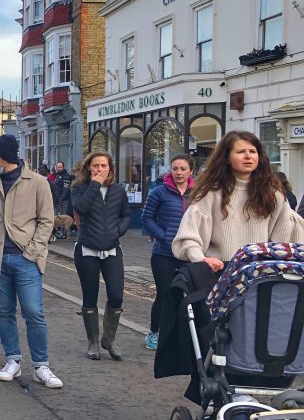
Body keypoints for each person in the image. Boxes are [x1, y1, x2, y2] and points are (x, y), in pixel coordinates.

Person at [0, 134, 63, 388]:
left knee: (33, 312)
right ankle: (13, 360)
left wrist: (33, 251)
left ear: (5, 157)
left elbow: (46, 221)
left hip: (25, 258)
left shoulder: (37, 182)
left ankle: (41, 365)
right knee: (4, 312)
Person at [173, 131, 304, 269]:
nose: (248, 156)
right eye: (241, 151)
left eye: (253, 151)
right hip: (221, 273)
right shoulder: (211, 192)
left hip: (259, 275)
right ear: (227, 158)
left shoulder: (272, 194)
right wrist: (200, 259)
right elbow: (189, 236)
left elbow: (286, 240)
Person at [70, 151, 131, 361]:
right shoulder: (79, 189)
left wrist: (118, 231)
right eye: (96, 166)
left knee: (116, 295)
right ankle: (93, 342)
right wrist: (94, 185)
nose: (99, 170)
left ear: (110, 168)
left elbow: (125, 216)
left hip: (112, 248)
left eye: (103, 166)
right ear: (89, 168)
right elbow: (80, 208)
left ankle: (109, 339)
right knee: (90, 295)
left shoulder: (118, 190)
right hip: (87, 249)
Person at [141, 154, 194, 351]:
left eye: (183, 169)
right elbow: (147, 218)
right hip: (163, 253)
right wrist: (163, 236)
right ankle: (154, 332)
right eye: (175, 168)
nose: (178, 172)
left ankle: (177, 336)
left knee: (185, 296)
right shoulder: (160, 192)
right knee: (164, 295)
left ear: (190, 171)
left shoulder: (198, 193)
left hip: (189, 254)